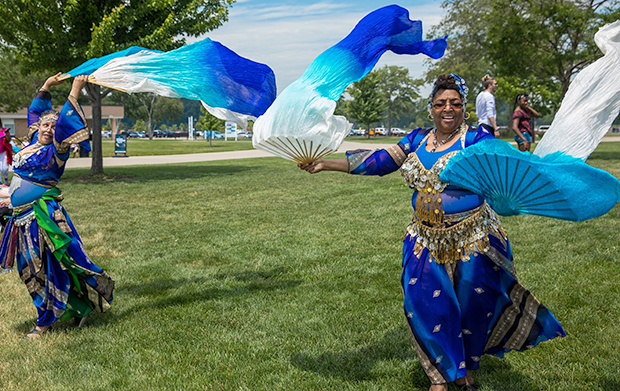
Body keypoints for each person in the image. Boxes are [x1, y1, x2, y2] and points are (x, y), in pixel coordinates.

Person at [299, 74, 565, 391]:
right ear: (431, 108)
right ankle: (439, 377)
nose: (447, 109)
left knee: (470, 306)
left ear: (464, 108)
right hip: (423, 238)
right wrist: (325, 164)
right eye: (440, 103)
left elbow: (511, 167)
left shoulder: (476, 141)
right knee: (423, 301)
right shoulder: (417, 140)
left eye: (455, 103)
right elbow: (380, 161)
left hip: (472, 239)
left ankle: (463, 370)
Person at [0, 73, 114, 338]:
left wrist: (75, 90)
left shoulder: (56, 151)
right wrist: (47, 86)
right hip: (21, 218)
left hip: (43, 219)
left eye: (53, 127)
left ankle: (44, 323)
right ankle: (78, 308)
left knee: (42, 269)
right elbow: (35, 112)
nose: (48, 129)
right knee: (33, 269)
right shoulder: (29, 143)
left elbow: (65, 125)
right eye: (44, 125)